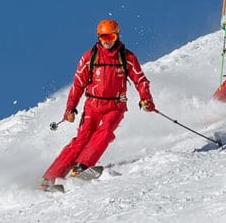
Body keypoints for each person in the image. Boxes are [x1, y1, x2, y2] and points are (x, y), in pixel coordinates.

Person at [39, 18, 154, 191]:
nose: (107, 42)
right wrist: (70, 108)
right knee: (81, 139)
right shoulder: (89, 57)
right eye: (104, 38)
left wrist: (146, 99)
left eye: (111, 37)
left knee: (105, 131)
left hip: (115, 105)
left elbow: (141, 80)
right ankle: (50, 177)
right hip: (92, 105)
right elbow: (78, 84)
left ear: (117, 36)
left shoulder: (127, 57)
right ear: (98, 37)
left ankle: (81, 166)